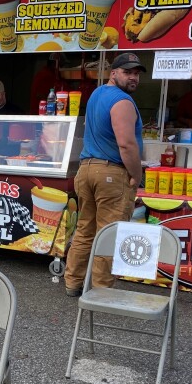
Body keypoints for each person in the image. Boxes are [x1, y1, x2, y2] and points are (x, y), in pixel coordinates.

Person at [64, 53, 145, 297]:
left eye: (137, 74)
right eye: (127, 72)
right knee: (109, 234)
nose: (133, 77)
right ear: (114, 73)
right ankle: (102, 292)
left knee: (85, 229)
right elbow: (127, 145)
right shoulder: (122, 102)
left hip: (87, 169)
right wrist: (136, 175)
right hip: (111, 172)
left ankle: (73, 283)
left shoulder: (97, 94)